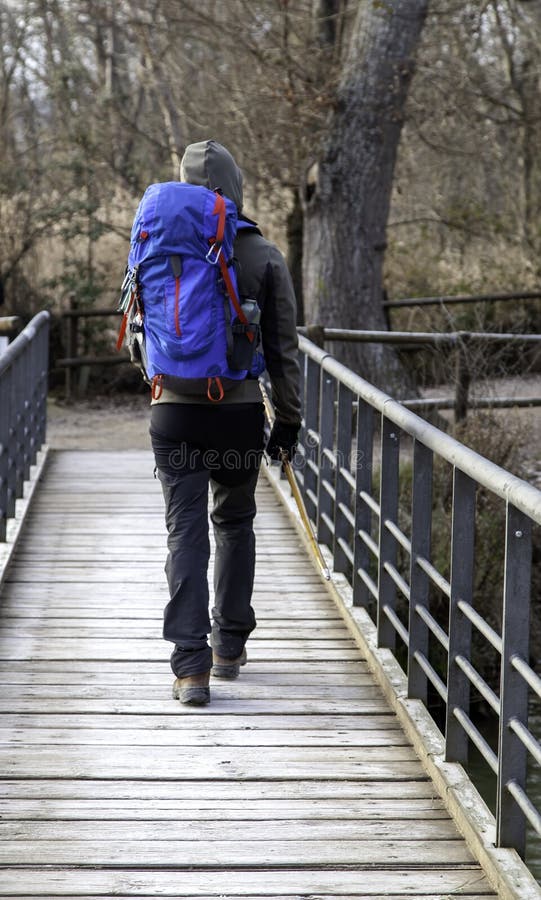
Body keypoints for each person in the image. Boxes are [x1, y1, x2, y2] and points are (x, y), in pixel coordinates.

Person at [149, 139, 301, 706]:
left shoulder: (157, 241)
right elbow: (283, 350)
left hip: (172, 413)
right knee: (233, 522)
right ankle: (229, 646)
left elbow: (142, 330)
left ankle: (190, 670)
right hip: (237, 413)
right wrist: (287, 422)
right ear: (236, 185)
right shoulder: (261, 251)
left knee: (184, 530)